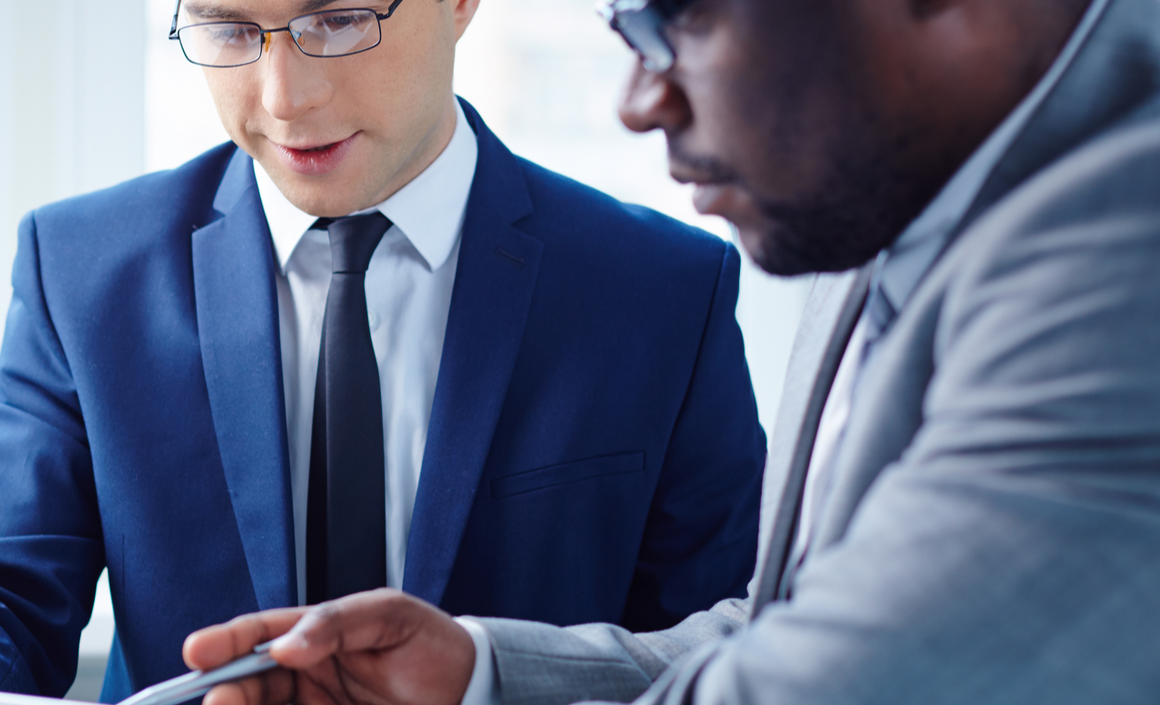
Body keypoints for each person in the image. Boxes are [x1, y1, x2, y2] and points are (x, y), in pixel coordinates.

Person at [0, 0, 770, 699]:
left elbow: (732, 642)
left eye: (338, 19)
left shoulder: (662, 290)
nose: (284, 98)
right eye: (229, 28)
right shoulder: (83, 271)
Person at [181, 0, 1160, 702]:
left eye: (679, 19)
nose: (638, 102)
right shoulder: (894, 196)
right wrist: (481, 671)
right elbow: (796, 624)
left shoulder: (1126, 236)